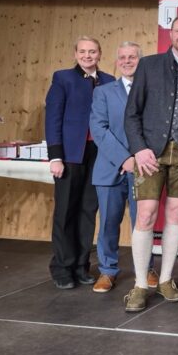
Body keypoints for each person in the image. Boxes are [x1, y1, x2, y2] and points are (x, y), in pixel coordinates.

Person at [123, 14, 178, 312]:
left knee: (176, 213)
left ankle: (165, 280)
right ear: (171, 33)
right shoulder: (148, 65)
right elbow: (131, 113)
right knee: (146, 214)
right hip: (150, 152)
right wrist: (138, 149)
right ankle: (140, 285)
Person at [45, 36, 114, 289]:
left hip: (99, 155)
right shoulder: (63, 78)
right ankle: (62, 267)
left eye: (92, 52)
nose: (87, 56)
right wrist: (55, 156)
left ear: (99, 54)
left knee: (88, 211)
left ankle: (81, 265)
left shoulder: (109, 81)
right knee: (65, 212)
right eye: (83, 51)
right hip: (70, 155)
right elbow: (53, 118)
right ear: (75, 54)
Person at [89, 42, 158, 293]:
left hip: (144, 168)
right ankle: (107, 270)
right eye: (122, 57)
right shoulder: (103, 92)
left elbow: (156, 129)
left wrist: (139, 159)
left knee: (144, 221)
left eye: (132, 57)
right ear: (117, 61)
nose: (127, 61)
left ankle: (146, 269)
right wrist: (124, 159)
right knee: (108, 222)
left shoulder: (153, 91)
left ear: (141, 61)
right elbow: (99, 129)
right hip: (111, 168)